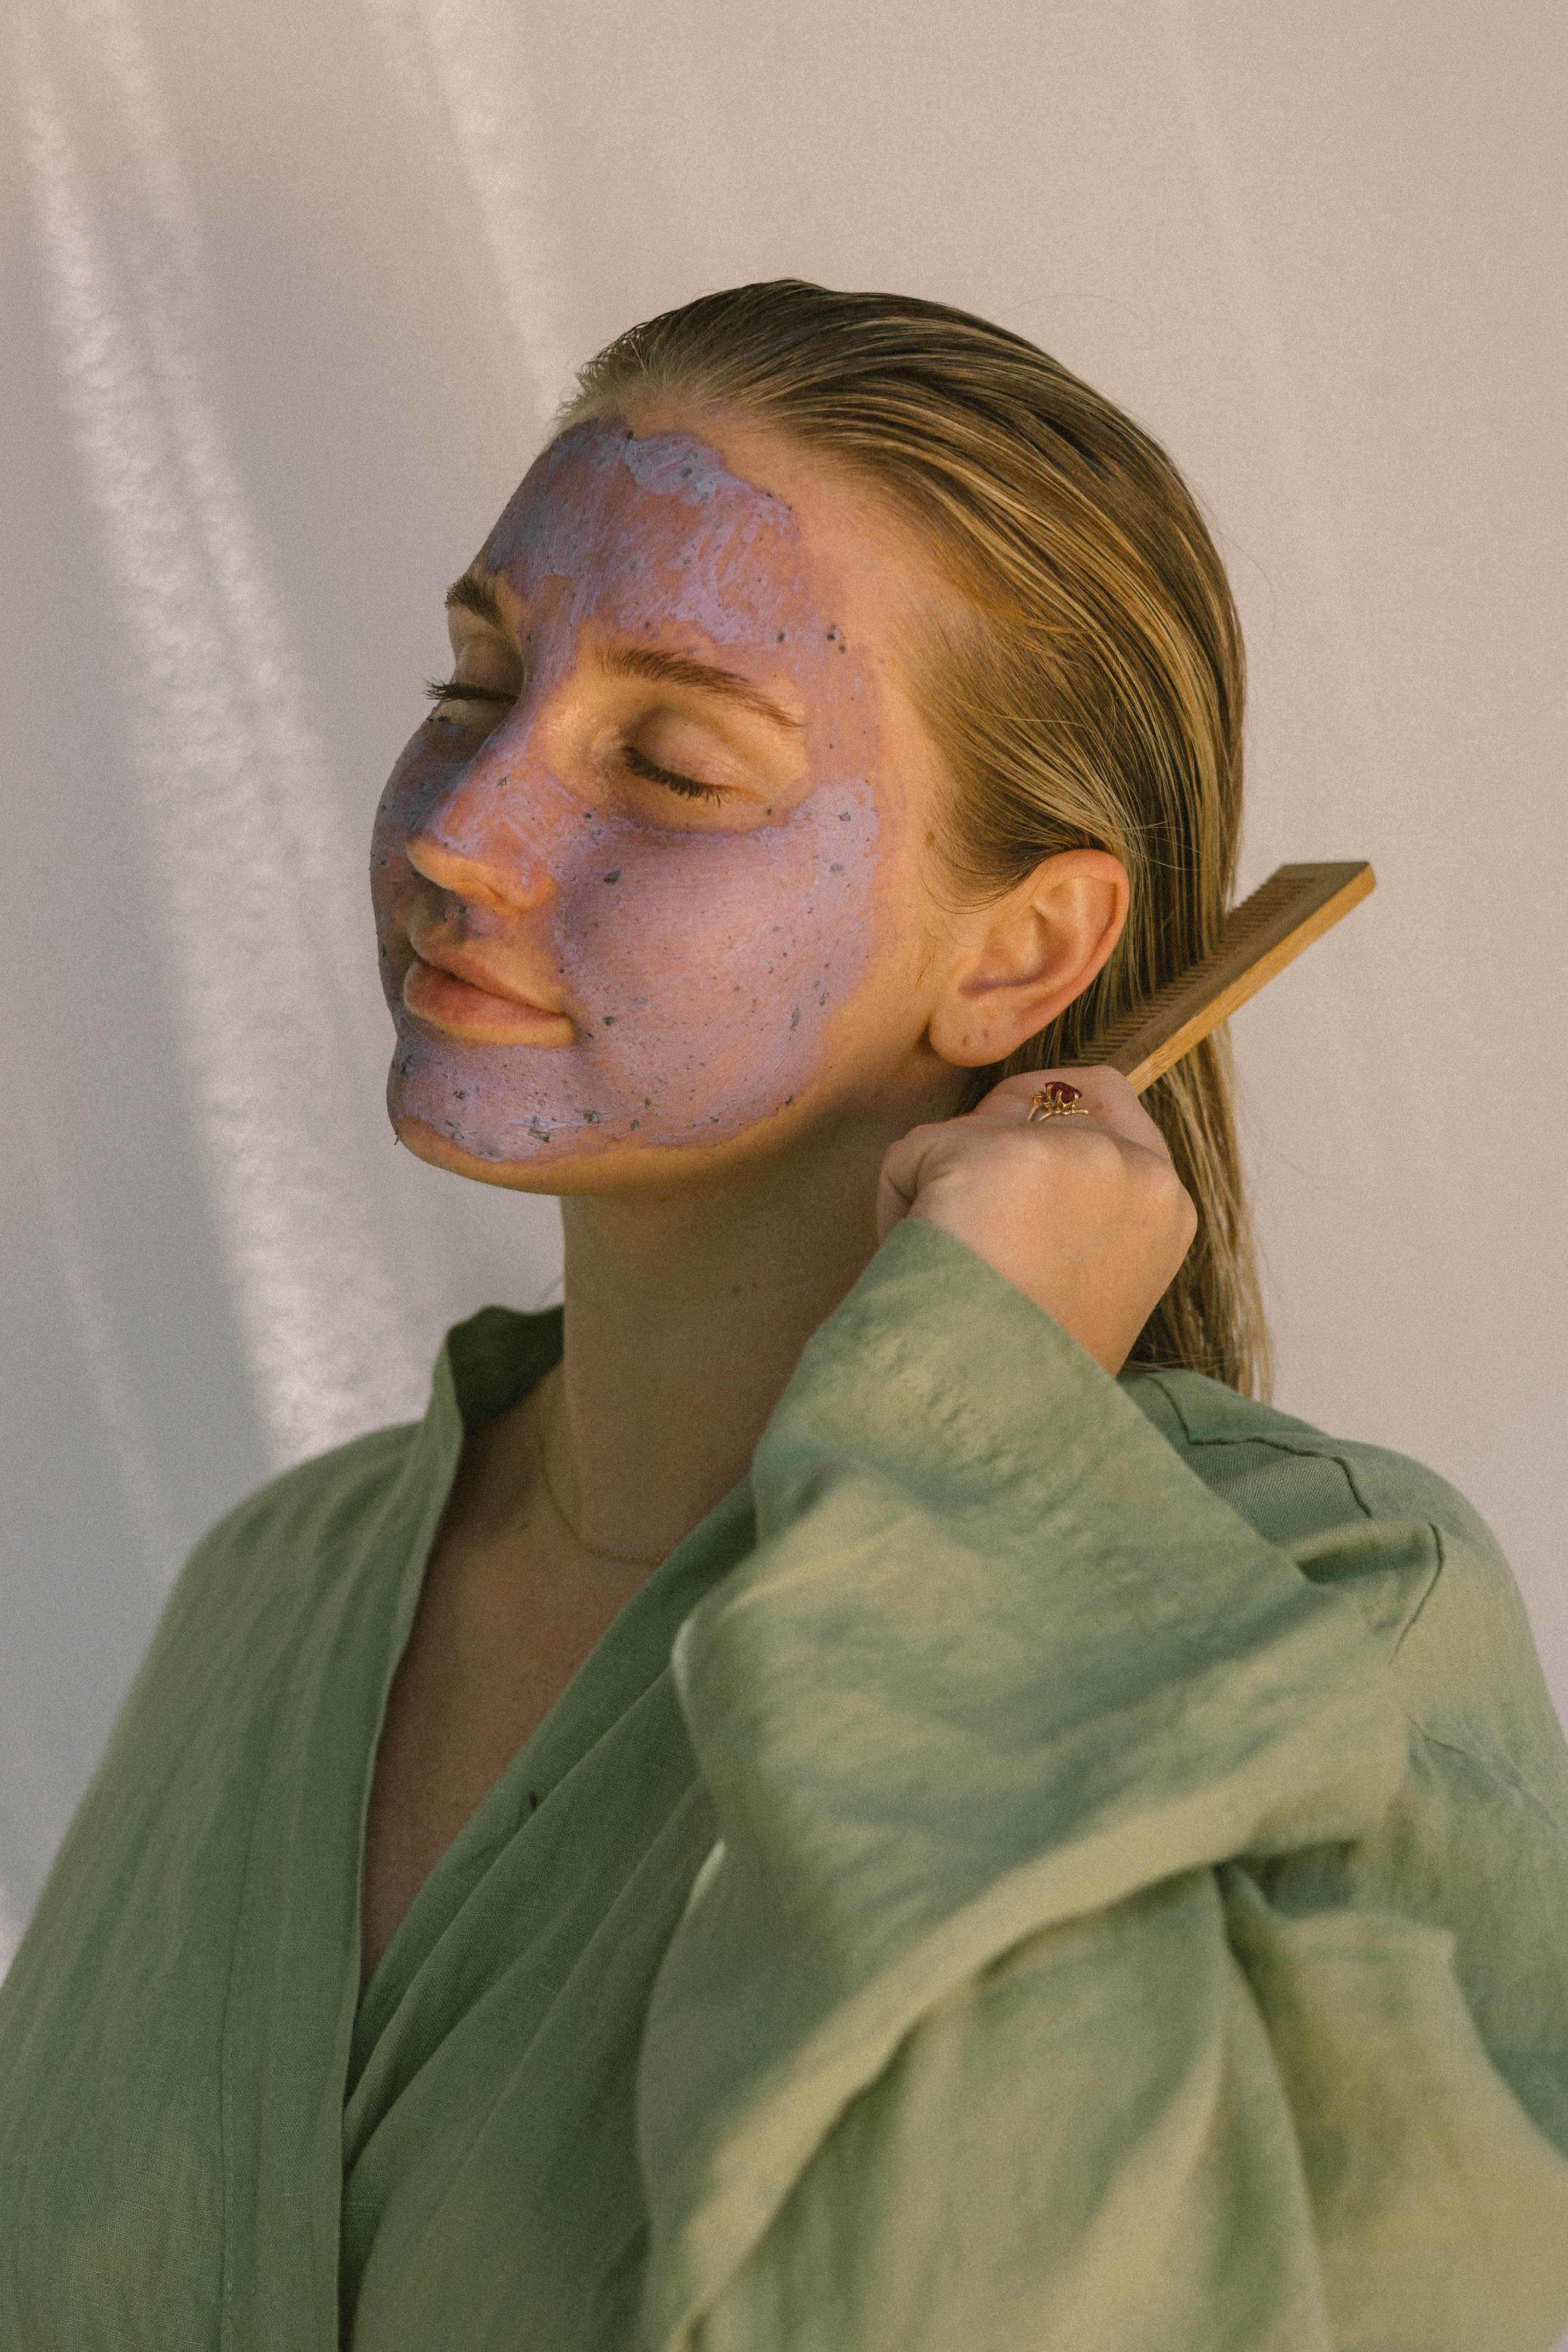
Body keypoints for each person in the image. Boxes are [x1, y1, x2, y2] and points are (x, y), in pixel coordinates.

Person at [2, 281, 1565, 2352]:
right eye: (471, 686)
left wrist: (968, 1463)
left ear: (1022, 959)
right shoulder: (269, 1598)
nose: (461, 833)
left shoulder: (1327, 1607)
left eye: (670, 759)